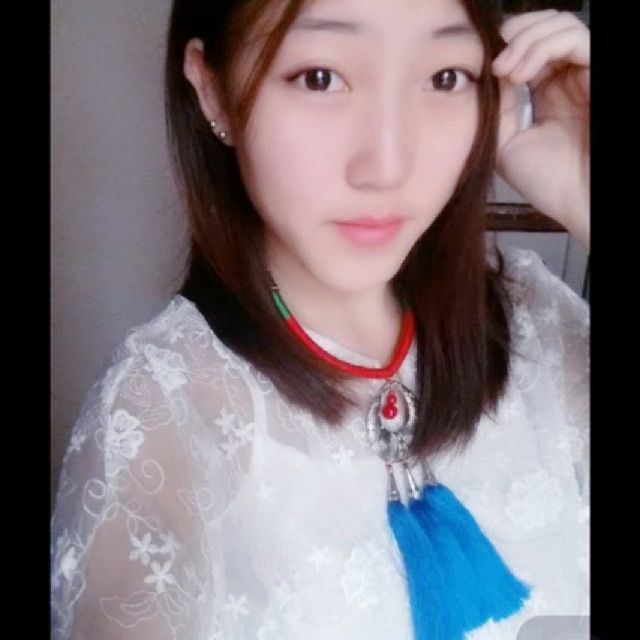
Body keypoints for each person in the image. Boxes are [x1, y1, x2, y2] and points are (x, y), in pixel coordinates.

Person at [51, 0, 590, 638]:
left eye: (445, 78)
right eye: (320, 78)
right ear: (213, 92)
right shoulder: (166, 419)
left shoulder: (538, 323)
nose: (388, 166)